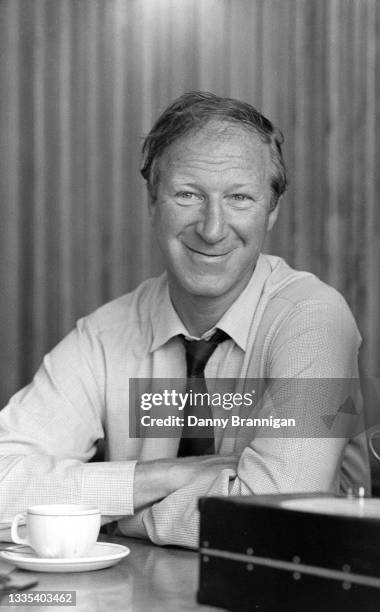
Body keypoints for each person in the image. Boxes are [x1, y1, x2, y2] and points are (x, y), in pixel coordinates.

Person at [0, 92, 370, 548]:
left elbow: (282, 514)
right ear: (153, 201)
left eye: (239, 198)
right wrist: (157, 475)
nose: (212, 228)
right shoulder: (104, 334)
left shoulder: (317, 320)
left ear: (271, 211)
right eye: (188, 194)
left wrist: (113, 513)